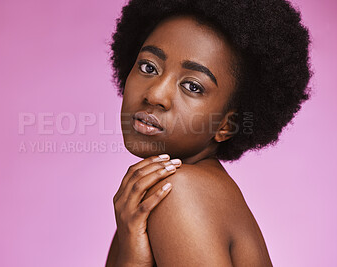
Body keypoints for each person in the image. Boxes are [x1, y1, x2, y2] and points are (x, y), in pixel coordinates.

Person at [105, 0, 311, 266]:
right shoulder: (146, 204)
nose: (155, 95)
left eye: (192, 86)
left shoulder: (178, 193)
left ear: (227, 125)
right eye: (148, 67)